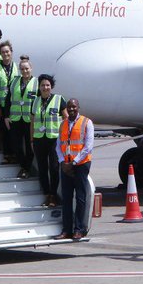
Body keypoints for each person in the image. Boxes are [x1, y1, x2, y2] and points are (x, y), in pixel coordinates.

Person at [55, 98, 93, 241]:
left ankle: (79, 229)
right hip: (66, 165)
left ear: (78, 107)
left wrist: (74, 162)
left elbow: (88, 146)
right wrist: (62, 162)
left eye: (74, 107)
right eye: (69, 107)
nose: (71, 109)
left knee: (81, 198)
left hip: (81, 164)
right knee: (66, 198)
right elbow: (58, 145)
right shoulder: (63, 124)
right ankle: (66, 230)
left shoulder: (87, 122)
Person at [30, 73, 63, 206]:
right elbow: (32, 122)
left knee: (54, 167)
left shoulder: (59, 99)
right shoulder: (35, 101)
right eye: (43, 85)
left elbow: (66, 119)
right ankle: (47, 194)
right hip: (39, 139)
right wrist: (31, 139)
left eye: (48, 85)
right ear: (39, 87)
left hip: (54, 140)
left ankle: (53, 195)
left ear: (52, 86)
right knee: (42, 168)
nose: (45, 87)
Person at [6, 56, 36, 178]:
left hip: (30, 120)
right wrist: (6, 116)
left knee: (29, 146)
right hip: (16, 119)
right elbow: (8, 99)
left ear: (31, 68)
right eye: (22, 69)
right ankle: (23, 165)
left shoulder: (37, 83)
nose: (25, 71)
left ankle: (26, 168)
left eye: (27, 69)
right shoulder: (14, 81)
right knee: (16, 145)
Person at [0, 40, 16, 162]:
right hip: (2, 104)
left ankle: (15, 154)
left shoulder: (17, 67)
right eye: (3, 52)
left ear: (11, 52)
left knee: (14, 130)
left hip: (15, 104)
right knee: (5, 130)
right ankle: (7, 155)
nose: (5, 54)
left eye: (7, 51)